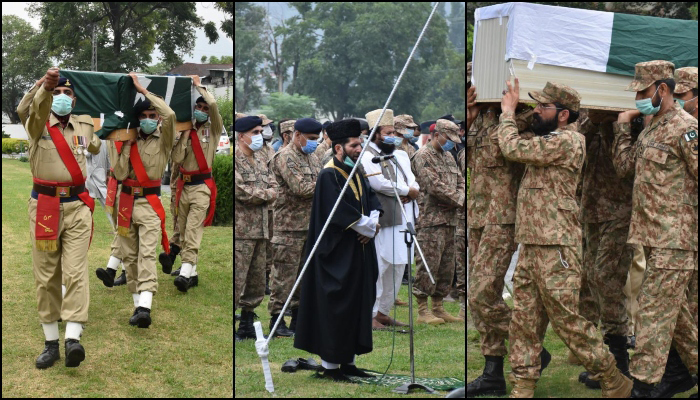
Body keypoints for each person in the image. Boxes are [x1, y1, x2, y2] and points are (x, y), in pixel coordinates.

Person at [499, 79, 632, 397]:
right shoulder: (549, 139)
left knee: (566, 318)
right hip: (532, 242)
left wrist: (507, 112)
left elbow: (511, 147)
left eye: (542, 107)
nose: (536, 112)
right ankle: (524, 383)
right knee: (525, 318)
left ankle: (612, 376)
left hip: (556, 245)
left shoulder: (569, 141)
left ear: (562, 114)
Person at [612, 60, 698, 397]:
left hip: (676, 238)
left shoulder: (685, 128)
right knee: (679, 319)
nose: (638, 98)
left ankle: (643, 387)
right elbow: (626, 168)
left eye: (642, 91)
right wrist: (623, 127)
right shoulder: (652, 127)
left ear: (662, 89)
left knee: (652, 314)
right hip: (651, 237)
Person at [19, 68, 101, 368]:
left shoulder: (83, 124)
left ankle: (73, 339)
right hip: (45, 207)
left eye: (67, 94)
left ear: (75, 100)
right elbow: (30, 108)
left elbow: (94, 144)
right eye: (57, 93)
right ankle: (51, 343)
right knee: (47, 276)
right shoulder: (37, 123)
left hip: (77, 205)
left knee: (76, 272)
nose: (62, 98)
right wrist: (44, 87)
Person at [293, 118, 382, 382]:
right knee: (337, 307)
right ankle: (330, 367)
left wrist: (374, 224)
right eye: (354, 145)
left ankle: (349, 362)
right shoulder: (329, 174)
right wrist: (365, 228)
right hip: (336, 254)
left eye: (360, 143)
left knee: (357, 305)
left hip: (359, 252)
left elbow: (372, 199)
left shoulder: (357, 170)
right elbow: (339, 213)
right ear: (339, 148)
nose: (359, 148)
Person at [113, 72, 175, 328]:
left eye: (152, 116)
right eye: (144, 116)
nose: (149, 120)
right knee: (129, 256)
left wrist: (142, 90)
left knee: (147, 254)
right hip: (126, 202)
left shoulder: (165, 140)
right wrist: (127, 146)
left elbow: (170, 116)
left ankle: (146, 307)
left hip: (149, 204)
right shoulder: (128, 141)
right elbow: (118, 174)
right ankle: (138, 304)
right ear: (137, 120)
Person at [268, 118, 322, 337]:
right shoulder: (285, 157)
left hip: (310, 224)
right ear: (297, 134)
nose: (314, 144)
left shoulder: (313, 157)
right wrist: (327, 184)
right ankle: (277, 320)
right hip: (288, 226)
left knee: (304, 274)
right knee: (284, 276)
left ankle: (298, 318)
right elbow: (300, 188)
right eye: (310, 139)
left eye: (317, 140)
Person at [170, 75, 222, 292]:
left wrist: (199, 87)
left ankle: (184, 272)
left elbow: (213, 104)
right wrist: (183, 134)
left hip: (202, 187)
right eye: (198, 107)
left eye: (204, 108)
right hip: (184, 185)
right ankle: (192, 271)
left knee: (193, 229)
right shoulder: (185, 130)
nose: (202, 109)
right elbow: (177, 159)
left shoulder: (214, 128)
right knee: (182, 230)